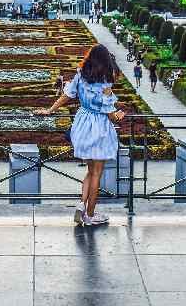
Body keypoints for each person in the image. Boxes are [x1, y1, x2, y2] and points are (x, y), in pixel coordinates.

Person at [35, 45, 125, 226]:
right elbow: (109, 112)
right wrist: (119, 115)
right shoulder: (106, 83)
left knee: (90, 172)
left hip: (82, 124)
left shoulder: (81, 76)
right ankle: (90, 216)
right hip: (99, 128)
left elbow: (66, 96)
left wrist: (50, 110)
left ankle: (81, 206)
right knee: (97, 175)